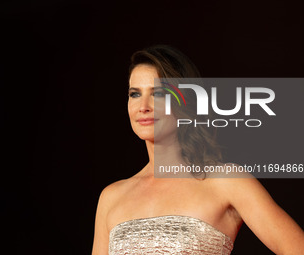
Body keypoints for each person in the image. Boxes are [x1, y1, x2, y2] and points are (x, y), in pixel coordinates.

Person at [91, 45, 304, 254]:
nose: (143, 106)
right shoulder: (111, 197)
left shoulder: (227, 182)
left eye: (158, 94)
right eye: (135, 94)